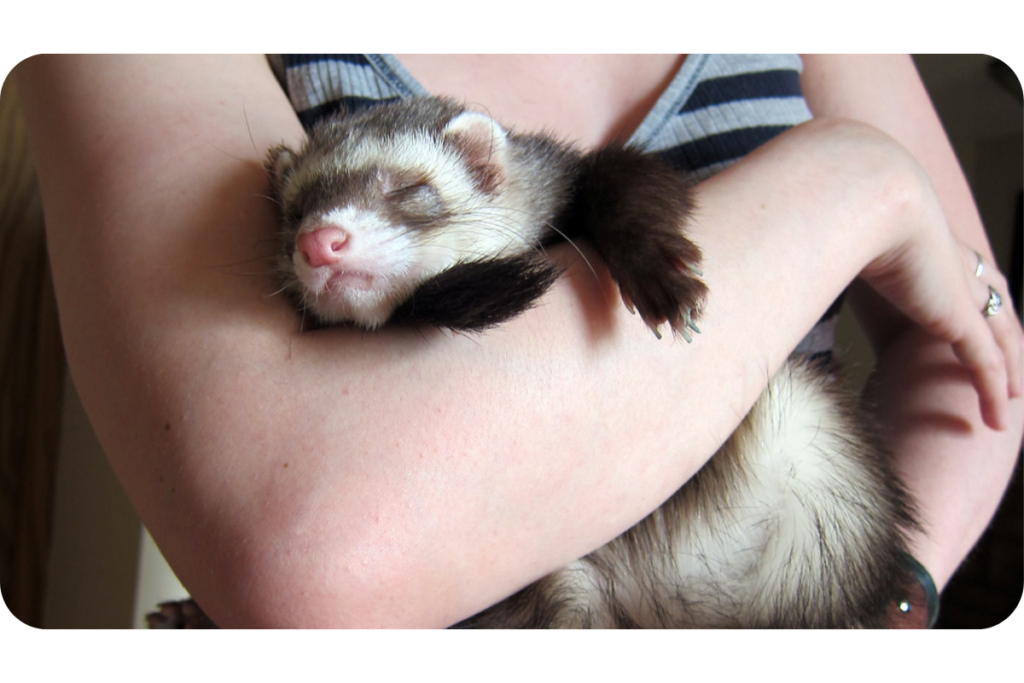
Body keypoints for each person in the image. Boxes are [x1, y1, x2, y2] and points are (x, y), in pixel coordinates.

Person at [15, 52, 1024, 630]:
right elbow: (314, 549)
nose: (330, 231)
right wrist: (855, 186)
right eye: (310, 213)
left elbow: (973, 352)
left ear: (481, 171)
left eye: (406, 198)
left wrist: (886, 596)